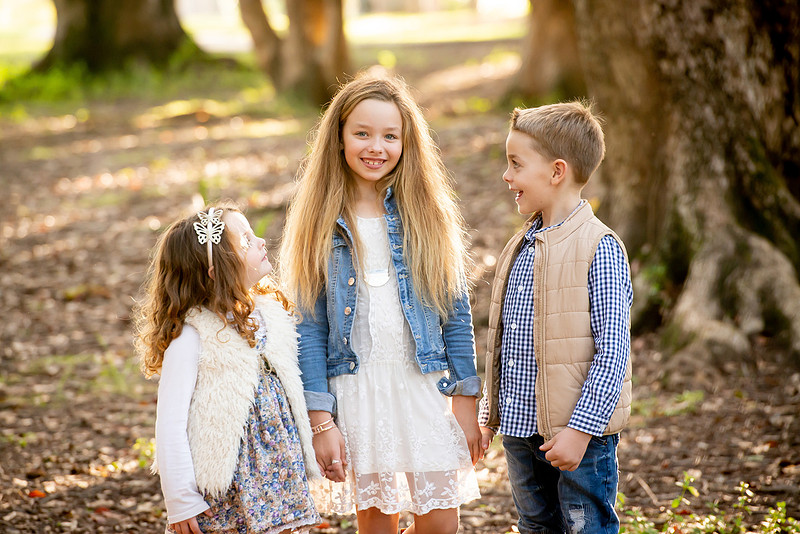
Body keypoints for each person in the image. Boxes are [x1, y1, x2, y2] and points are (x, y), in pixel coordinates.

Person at [279, 72, 481, 534]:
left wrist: (466, 401)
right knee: (376, 523)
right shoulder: (320, 220)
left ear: (407, 142)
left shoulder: (426, 212)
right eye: (362, 133)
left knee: (441, 524)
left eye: (391, 135)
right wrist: (320, 421)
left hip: (424, 385)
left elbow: (454, 310)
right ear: (340, 137)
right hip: (356, 389)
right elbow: (308, 328)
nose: (377, 146)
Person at [478, 101, 633, 534]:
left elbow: (613, 352)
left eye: (515, 164)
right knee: (535, 526)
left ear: (556, 171)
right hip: (521, 429)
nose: (507, 176)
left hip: (577, 434)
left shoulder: (599, 248)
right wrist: (492, 414)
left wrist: (581, 431)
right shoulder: (521, 245)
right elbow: (502, 342)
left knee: (585, 527)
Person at [133, 202, 322, 534]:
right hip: (227, 487)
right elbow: (170, 425)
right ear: (216, 270)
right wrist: (180, 500)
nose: (261, 241)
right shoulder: (192, 337)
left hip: (279, 475)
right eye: (247, 240)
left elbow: (293, 387)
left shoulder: (270, 316)